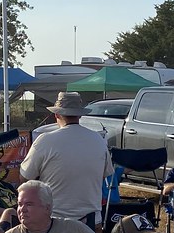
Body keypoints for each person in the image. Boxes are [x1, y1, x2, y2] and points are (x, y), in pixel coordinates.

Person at [20, 92, 113, 226]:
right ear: (80, 114)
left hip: (55, 221)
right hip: (91, 221)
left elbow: (25, 178)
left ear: (56, 114)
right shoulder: (98, 140)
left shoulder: (45, 141)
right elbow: (105, 175)